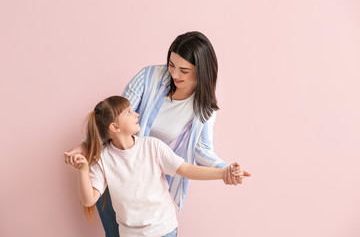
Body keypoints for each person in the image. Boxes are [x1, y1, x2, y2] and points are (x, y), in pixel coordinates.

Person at [65, 31, 248, 237]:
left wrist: (226, 170)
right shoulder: (148, 77)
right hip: (117, 176)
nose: (175, 74)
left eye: (184, 70)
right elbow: (114, 118)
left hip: (152, 181)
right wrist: (87, 145)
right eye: (171, 65)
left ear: (201, 71)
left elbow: (197, 155)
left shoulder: (158, 143)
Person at [65, 96, 250, 237]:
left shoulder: (152, 146)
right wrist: (83, 170)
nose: (136, 114)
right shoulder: (103, 159)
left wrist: (224, 172)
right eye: (129, 112)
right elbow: (89, 199)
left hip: (164, 229)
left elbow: (186, 169)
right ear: (114, 127)